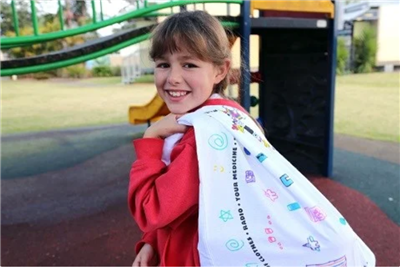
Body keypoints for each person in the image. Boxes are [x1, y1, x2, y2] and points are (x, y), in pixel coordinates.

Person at [128, 10, 248, 266]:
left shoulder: (203, 138)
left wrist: (150, 139)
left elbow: (151, 211)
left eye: (189, 64)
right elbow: (179, 207)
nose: (172, 78)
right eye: (163, 64)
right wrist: (152, 241)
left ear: (220, 70)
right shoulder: (231, 117)